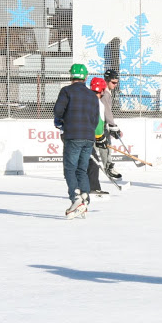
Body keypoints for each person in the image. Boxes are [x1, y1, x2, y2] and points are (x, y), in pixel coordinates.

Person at [53, 63, 100, 219]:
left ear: (71, 76)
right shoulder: (92, 95)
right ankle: (84, 196)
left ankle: (76, 197)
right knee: (82, 169)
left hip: (73, 135)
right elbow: (96, 119)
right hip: (89, 137)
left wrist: (60, 122)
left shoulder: (66, 91)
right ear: (85, 77)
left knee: (70, 169)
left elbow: (58, 111)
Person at [87, 77, 109, 197]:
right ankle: (93, 188)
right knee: (93, 162)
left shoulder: (84, 99)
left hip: (75, 134)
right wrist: (101, 138)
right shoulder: (99, 104)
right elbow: (99, 124)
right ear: (102, 90)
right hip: (87, 136)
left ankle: (81, 187)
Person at [99, 69, 122, 180]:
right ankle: (108, 168)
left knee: (106, 145)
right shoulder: (104, 93)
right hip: (99, 125)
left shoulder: (107, 91)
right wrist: (113, 126)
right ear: (107, 80)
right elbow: (106, 111)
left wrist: (112, 126)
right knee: (104, 146)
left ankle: (108, 166)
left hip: (102, 124)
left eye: (117, 82)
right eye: (113, 82)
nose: (115, 85)